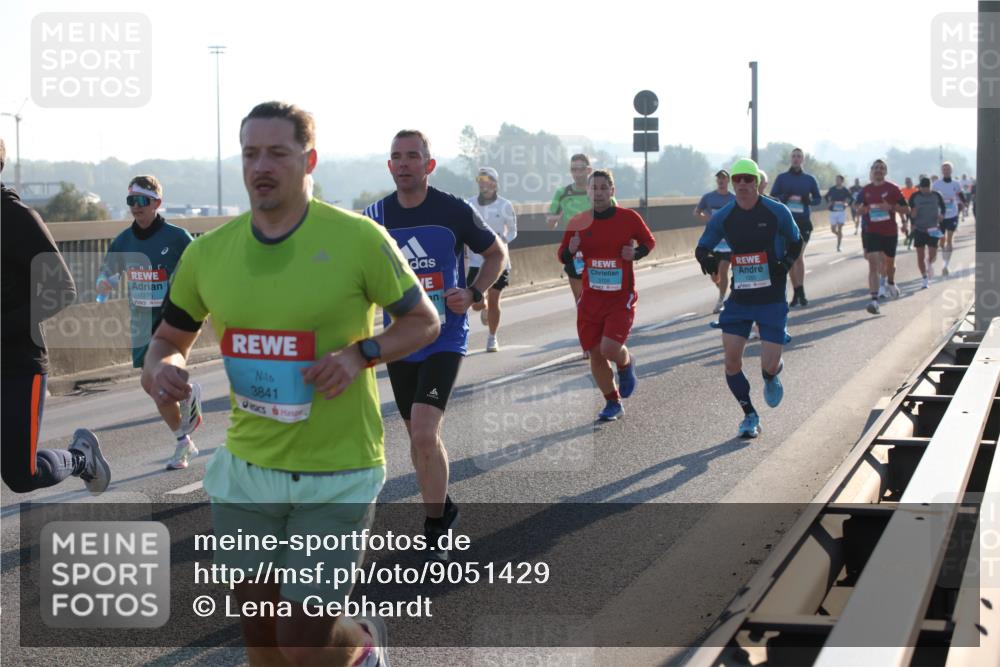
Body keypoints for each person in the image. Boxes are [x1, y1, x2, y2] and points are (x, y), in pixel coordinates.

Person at [145, 102, 440, 666]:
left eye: (277, 153)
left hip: (338, 470)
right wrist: (165, 370)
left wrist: (362, 353)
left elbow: (423, 321)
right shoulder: (208, 253)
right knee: (261, 636)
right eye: (251, 153)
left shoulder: (357, 238)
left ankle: (362, 647)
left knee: (302, 640)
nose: (262, 166)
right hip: (247, 472)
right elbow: (166, 343)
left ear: (309, 160)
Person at [363, 130, 507, 563]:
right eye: (396, 157)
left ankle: (434, 528)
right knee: (417, 436)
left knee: (424, 430)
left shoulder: (453, 210)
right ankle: (443, 508)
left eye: (413, 156)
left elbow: (496, 253)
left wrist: (475, 292)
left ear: (429, 164)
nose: (404, 163)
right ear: (390, 167)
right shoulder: (373, 217)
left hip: (445, 335)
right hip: (401, 339)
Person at [1, 138, 111, 496]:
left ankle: (81, 458)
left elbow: (62, 288)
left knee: (21, 475)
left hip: (17, 365)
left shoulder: (16, 218)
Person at [97, 176, 200, 470]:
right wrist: (105, 284)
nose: (135, 207)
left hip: (173, 322)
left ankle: (184, 431)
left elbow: (199, 269)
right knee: (149, 383)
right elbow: (107, 275)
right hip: (142, 324)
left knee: (158, 381)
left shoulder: (178, 237)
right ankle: (185, 427)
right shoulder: (123, 241)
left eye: (141, 201)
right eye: (131, 201)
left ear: (157, 203)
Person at [696, 158, 801, 439]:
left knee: (768, 364)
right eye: (737, 179)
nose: (742, 184)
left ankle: (771, 375)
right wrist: (703, 257)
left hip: (771, 297)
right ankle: (749, 415)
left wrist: (786, 263)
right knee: (731, 363)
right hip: (740, 299)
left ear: (757, 182)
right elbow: (704, 244)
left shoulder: (776, 211)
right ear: (732, 183)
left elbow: (796, 239)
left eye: (748, 179)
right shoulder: (725, 215)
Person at [557, 169, 654, 422]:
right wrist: (570, 250)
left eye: (603, 187)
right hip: (591, 299)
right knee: (595, 353)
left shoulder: (628, 218)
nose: (598, 192)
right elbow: (562, 256)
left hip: (620, 297)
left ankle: (625, 363)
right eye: (594, 188)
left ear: (612, 191)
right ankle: (612, 402)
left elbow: (649, 241)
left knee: (610, 348)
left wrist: (636, 254)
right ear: (587, 192)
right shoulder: (578, 222)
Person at [466, 167, 517, 352]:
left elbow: (512, 230)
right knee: (477, 303)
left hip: (499, 260)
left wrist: (502, 241)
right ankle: (483, 304)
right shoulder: (469, 204)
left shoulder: (505, 205)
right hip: (475, 261)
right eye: (480, 179)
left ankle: (492, 337)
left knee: (495, 298)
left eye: (487, 179)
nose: (482, 182)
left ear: (494, 183)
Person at [857, 159, 909, 314]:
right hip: (872, 232)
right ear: (872, 171)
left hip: (889, 232)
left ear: (885, 172)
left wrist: (891, 207)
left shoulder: (893, 189)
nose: (879, 170)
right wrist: (861, 210)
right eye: (876, 168)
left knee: (889, 265)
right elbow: (857, 206)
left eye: (882, 168)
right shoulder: (866, 190)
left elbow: (907, 209)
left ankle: (891, 282)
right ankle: (874, 300)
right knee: (872, 264)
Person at [769, 148, 820, 307]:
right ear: (790, 159)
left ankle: (800, 291)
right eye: (794, 156)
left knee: (798, 256)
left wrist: (808, 200)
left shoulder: (809, 179)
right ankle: (799, 292)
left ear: (803, 159)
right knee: (791, 257)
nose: (796, 159)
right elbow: (773, 197)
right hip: (786, 222)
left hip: (804, 222)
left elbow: (818, 199)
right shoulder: (782, 178)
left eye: (799, 156)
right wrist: (785, 197)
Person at [694, 170, 736, 313]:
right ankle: (723, 293)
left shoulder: (734, 198)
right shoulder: (708, 197)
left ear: (728, 181)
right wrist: (709, 218)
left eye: (724, 178)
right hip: (713, 242)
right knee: (714, 276)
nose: (721, 181)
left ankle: (721, 301)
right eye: (719, 178)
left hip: (728, 243)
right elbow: (696, 212)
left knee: (723, 270)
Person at [907, 177, 946, 289]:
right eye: (923, 188)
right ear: (920, 187)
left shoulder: (937, 195)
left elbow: (943, 207)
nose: (925, 190)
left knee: (933, 255)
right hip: (919, 229)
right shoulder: (915, 196)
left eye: (927, 188)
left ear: (930, 187)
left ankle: (929, 263)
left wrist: (942, 215)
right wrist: (912, 222)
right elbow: (910, 212)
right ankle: (924, 278)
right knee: (920, 255)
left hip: (933, 229)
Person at [931, 161, 967, 276]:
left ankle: (945, 266)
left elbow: (961, 195)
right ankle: (943, 255)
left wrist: (965, 204)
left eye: (948, 169)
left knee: (950, 239)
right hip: (940, 216)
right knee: (942, 240)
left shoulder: (956, 183)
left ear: (951, 171)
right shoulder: (936, 184)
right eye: (944, 169)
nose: (946, 171)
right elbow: (932, 199)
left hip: (952, 215)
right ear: (942, 171)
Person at [824, 175, 852, 252]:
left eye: (839, 180)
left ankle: (838, 246)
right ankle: (839, 236)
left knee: (840, 229)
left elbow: (851, 198)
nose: (837, 181)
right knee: (833, 230)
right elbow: (826, 197)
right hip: (833, 211)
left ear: (842, 181)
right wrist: (829, 202)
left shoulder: (845, 190)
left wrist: (846, 203)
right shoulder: (832, 189)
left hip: (841, 212)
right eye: (836, 179)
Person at [899, 177, 919, 251]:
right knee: (905, 226)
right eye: (906, 182)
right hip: (904, 210)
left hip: (913, 210)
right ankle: (907, 237)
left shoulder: (915, 190)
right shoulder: (902, 190)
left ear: (912, 182)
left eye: (909, 181)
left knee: (913, 227)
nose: (908, 183)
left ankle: (910, 242)